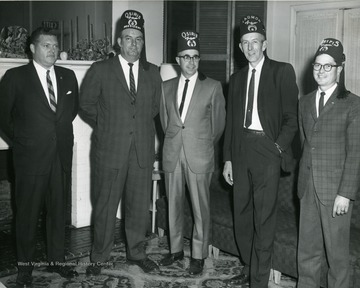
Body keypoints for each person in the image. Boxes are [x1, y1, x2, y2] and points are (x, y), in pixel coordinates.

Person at [80, 10, 162, 275]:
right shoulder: (101, 70)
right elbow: (86, 105)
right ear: (118, 41)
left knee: (138, 207)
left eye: (138, 39)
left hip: (141, 152)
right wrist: (109, 127)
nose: (133, 44)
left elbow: (152, 110)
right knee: (105, 206)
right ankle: (100, 256)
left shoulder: (153, 73)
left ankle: (136, 253)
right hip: (110, 150)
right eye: (128, 38)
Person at [222, 15, 298, 287]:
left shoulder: (282, 71)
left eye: (255, 42)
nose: (251, 47)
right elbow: (231, 122)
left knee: (263, 219)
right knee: (241, 216)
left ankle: (259, 279)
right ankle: (249, 264)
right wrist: (228, 159)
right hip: (241, 149)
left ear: (264, 45)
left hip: (267, 149)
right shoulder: (237, 78)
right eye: (245, 43)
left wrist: (277, 146)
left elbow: (292, 116)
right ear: (240, 48)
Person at [0, 27, 79, 287]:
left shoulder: (68, 77)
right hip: (30, 157)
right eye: (46, 45)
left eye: (55, 45)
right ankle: (25, 268)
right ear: (32, 48)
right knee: (27, 214)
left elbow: (71, 111)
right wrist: (22, 141)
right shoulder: (15, 77)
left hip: (60, 156)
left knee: (58, 212)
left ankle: (56, 260)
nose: (52, 50)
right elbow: (3, 116)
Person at [159, 30, 226, 275]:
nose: (191, 61)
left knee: (200, 208)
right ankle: (175, 250)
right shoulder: (165, 87)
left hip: (199, 155)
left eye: (195, 56)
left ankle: (198, 255)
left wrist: (199, 143)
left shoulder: (213, 86)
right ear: (178, 59)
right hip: (173, 154)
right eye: (186, 56)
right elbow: (166, 123)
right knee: (173, 204)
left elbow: (218, 126)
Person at [297, 38, 360, 288]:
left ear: (339, 69)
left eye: (328, 66)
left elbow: (356, 154)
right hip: (307, 188)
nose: (321, 71)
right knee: (307, 253)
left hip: (335, 192)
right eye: (317, 65)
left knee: (337, 257)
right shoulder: (304, 102)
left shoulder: (353, 104)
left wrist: (345, 194)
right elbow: (304, 143)